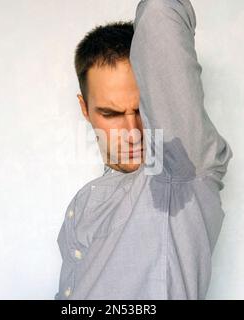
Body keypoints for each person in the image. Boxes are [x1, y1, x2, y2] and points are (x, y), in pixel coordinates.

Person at [55, 0, 233, 299]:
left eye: (142, 110)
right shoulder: (82, 203)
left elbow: (160, 13)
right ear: (85, 109)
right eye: (110, 114)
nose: (133, 133)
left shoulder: (179, 174)